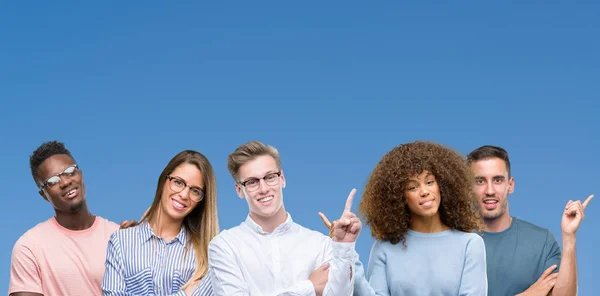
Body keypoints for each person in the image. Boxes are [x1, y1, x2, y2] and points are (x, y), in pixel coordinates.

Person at [321, 141, 488, 295]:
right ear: (399, 197)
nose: (424, 191)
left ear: (442, 185)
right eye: (413, 187)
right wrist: (345, 248)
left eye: (429, 182)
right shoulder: (384, 249)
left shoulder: (470, 244)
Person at [208, 140, 361, 296]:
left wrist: (344, 247)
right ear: (239, 190)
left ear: (282, 179)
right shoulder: (224, 247)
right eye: (252, 182)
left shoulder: (320, 245)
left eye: (269, 177)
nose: (264, 189)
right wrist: (309, 288)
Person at [467, 145, 593, 296]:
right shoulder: (455, 241)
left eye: (498, 180)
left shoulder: (541, 241)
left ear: (510, 185)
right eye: (480, 181)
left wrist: (569, 237)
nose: (490, 190)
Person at [9, 141, 120, 296]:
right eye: (52, 181)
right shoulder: (29, 247)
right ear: (44, 195)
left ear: (80, 174)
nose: (66, 182)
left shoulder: (119, 237)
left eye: (70, 171)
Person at [102, 150, 219, 296]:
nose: (184, 195)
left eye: (195, 191)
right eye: (178, 182)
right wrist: (186, 293)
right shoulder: (121, 242)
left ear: (201, 201)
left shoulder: (206, 256)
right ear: (164, 180)